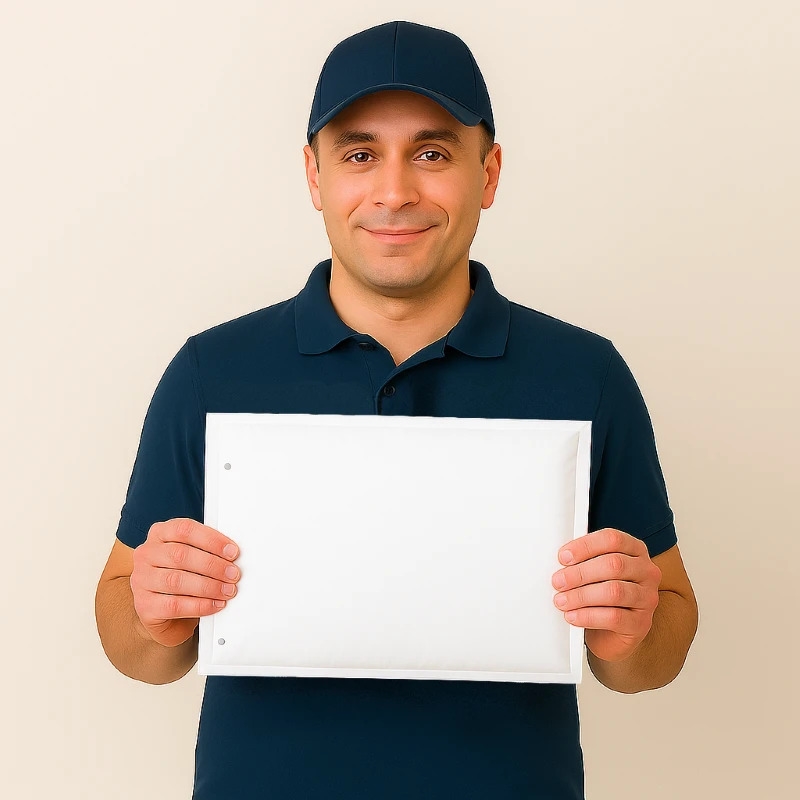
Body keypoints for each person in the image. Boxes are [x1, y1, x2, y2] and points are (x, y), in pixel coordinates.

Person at [95, 20, 698, 799]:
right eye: (359, 155)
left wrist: (631, 628)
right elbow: (136, 645)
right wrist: (152, 614)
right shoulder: (211, 372)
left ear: (489, 173)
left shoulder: (586, 375)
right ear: (314, 176)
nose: (394, 192)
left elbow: (657, 647)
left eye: (432, 153)